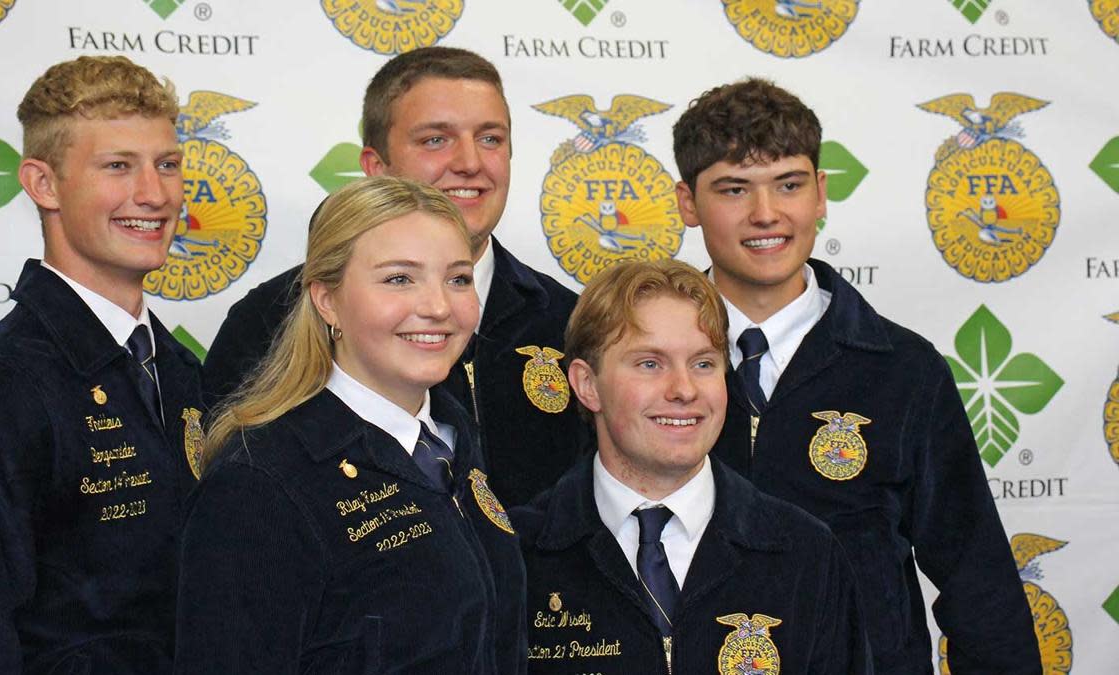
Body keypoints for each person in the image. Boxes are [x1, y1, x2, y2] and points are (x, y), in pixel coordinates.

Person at [672, 78, 1040, 673]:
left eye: (788, 185)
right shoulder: (640, 368)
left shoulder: (903, 370)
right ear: (688, 202)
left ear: (819, 193)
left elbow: (978, 581)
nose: (766, 214)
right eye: (734, 189)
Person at [202, 46, 585, 506]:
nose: (470, 162)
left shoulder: (570, 320)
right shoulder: (266, 322)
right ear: (375, 169)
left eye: (490, 138)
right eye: (435, 140)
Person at [0, 56, 202, 673]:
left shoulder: (182, 374)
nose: (154, 194)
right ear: (44, 184)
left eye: (167, 164)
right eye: (118, 166)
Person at [174, 176, 526, 673]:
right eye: (399, 279)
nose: (439, 307)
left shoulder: (450, 437)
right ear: (327, 300)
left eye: (458, 278)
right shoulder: (259, 483)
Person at [512, 259, 871, 674]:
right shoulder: (517, 554)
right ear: (587, 385)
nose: (683, 390)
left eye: (703, 364)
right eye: (650, 364)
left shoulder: (805, 553)